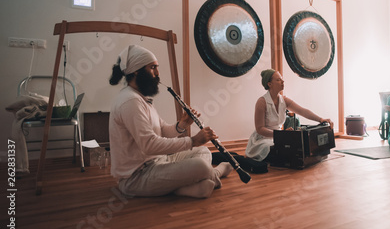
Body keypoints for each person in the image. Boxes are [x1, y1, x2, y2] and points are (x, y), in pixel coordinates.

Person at [108, 45, 232, 199]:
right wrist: (193, 140)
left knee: (203, 152)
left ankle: (181, 187)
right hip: (136, 177)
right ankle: (216, 173)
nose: (157, 73)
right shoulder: (130, 102)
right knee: (201, 166)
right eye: (153, 68)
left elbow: (162, 131)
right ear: (136, 71)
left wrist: (182, 125)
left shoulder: (141, 99)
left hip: (159, 161)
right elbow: (149, 145)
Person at [245, 69, 333, 161]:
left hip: (279, 137)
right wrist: (281, 135)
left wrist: (320, 119)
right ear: (269, 84)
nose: (283, 81)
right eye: (278, 80)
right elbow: (260, 129)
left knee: (297, 147)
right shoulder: (261, 102)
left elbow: (302, 111)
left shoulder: (284, 100)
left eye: (282, 79)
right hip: (262, 139)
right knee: (270, 147)